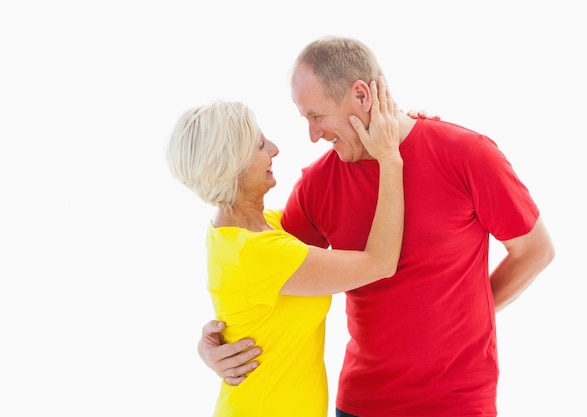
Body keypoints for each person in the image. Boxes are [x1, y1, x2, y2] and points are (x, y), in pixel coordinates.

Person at [199, 36, 555, 417]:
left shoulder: (467, 154)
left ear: (361, 95)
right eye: (305, 119)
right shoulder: (317, 184)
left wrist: (472, 316)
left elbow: (534, 251)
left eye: (317, 116)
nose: (312, 135)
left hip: (458, 403)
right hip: (362, 405)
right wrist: (215, 344)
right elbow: (264, 270)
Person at [166, 78, 404, 416]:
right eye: (260, 145)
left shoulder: (257, 231)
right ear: (231, 165)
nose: (274, 149)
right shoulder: (260, 251)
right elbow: (379, 263)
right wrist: (390, 158)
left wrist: (409, 126)